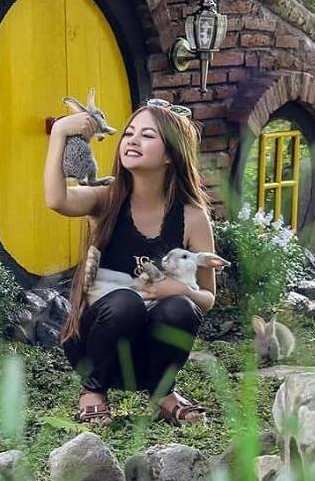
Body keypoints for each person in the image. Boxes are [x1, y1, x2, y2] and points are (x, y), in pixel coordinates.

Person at [43, 98, 219, 427]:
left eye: (147, 136)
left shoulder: (192, 218)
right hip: (95, 348)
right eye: (128, 133)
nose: (132, 141)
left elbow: (208, 297)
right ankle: (92, 390)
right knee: (126, 301)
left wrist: (179, 289)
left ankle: (163, 392)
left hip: (148, 356)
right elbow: (57, 199)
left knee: (181, 307)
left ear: (170, 154)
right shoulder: (107, 199)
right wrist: (60, 132)